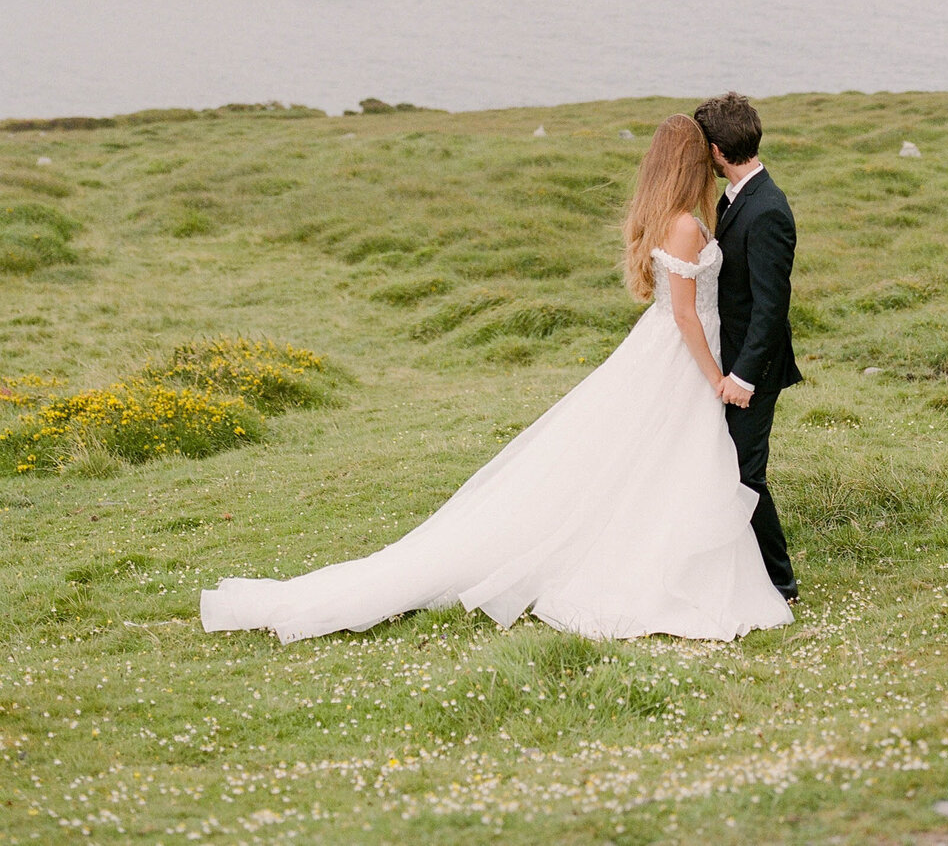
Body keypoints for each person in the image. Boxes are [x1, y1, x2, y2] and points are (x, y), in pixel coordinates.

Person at [200, 114, 792, 644]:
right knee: (671, 457)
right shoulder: (687, 225)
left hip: (667, 349)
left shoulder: (674, 215)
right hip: (684, 353)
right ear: (699, 162)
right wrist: (717, 376)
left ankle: (684, 554)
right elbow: (687, 313)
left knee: (663, 460)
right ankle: (669, 566)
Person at [694, 92, 802, 601]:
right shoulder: (736, 197)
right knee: (726, 466)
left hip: (751, 369)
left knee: (746, 474)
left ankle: (780, 580)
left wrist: (742, 377)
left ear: (717, 150)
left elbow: (770, 308)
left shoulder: (766, 211)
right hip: (728, 357)